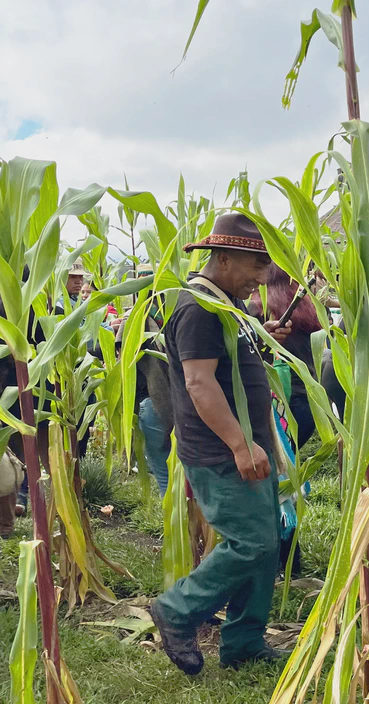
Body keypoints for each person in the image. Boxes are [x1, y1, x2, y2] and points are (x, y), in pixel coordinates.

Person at [149, 213, 292, 675]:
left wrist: (261, 335)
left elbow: (225, 361)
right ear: (224, 258)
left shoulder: (226, 303)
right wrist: (239, 444)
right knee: (251, 543)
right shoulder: (199, 308)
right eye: (255, 265)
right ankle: (177, 610)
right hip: (222, 452)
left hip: (250, 444)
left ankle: (244, 642)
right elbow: (199, 383)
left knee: (266, 541)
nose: (261, 277)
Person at [249, 264, 321, 449]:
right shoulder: (305, 306)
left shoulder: (257, 309)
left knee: (278, 466)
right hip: (310, 400)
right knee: (290, 461)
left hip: (280, 403)